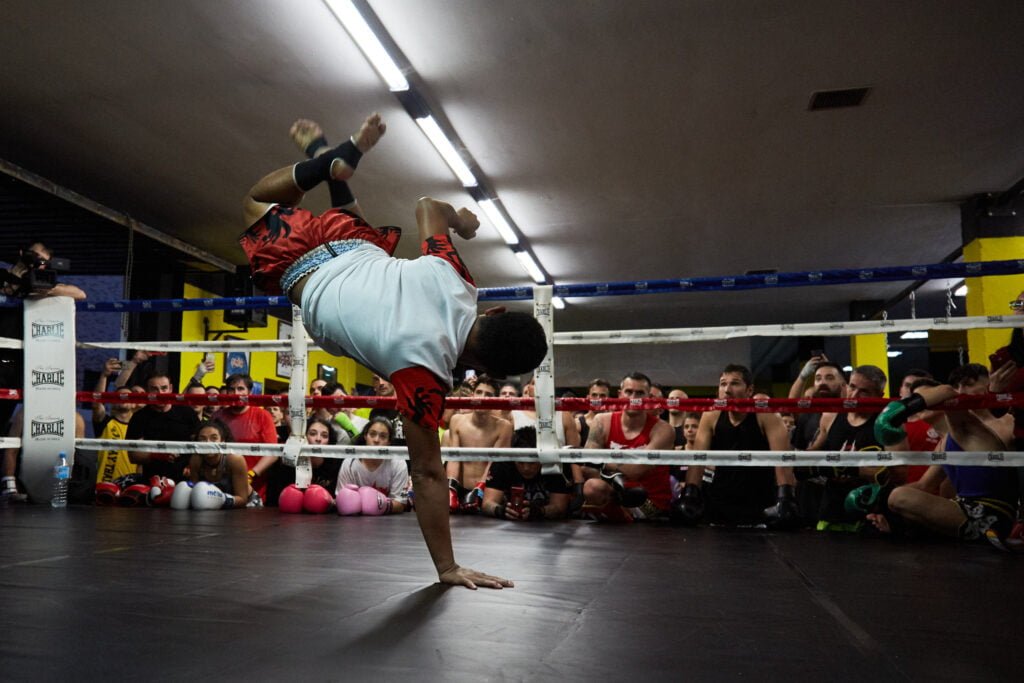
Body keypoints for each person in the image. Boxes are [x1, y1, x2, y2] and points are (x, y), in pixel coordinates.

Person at [237, 113, 547, 589]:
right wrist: (447, 566)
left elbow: (428, 205)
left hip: (353, 242)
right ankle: (331, 164)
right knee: (254, 203)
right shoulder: (424, 378)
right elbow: (426, 473)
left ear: (496, 313)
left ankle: (329, 164)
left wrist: (461, 223)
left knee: (320, 214)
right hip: (304, 268)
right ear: (483, 370)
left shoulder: (458, 279)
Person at [854, 364, 1018, 550]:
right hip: (965, 509)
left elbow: (948, 391)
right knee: (898, 500)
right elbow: (925, 485)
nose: (962, 391)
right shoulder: (946, 441)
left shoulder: (972, 428)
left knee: (899, 497)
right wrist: (879, 505)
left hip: (991, 514)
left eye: (924, 399)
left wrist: (903, 407)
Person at [1, 242, 86, 500]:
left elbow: (80, 294)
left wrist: (43, 289)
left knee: (15, 422)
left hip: (22, 364)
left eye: (41, 260)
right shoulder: (3, 275)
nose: (36, 262)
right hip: (3, 352)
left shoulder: (40, 281)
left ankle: (12, 485)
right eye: (34, 256)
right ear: (21, 254)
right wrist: (14, 285)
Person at [676, 364, 797, 528]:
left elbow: (782, 461)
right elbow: (698, 458)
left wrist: (785, 496)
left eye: (734, 383)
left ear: (749, 390)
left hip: (759, 501)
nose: (726, 390)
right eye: (723, 383)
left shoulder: (767, 416)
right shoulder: (711, 416)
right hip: (719, 499)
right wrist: (690, 493)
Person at [581, 372, 675, 521]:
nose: (633, 398)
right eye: (629, 392)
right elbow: (587, 466)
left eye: (640, 393)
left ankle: (617, 515)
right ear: (619, 395)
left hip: (650, 502)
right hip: (615, 495)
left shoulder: (663, 429)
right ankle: (617, 512)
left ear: (648, 398)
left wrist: (604, 463)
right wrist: (617, 489)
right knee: (592, 487)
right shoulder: (601, 422)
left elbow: (636, 469)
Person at [445, 375, 512, 511]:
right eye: (479, 392)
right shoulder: (457, 420)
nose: (482, 397)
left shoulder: (504, 426)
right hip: (460, 487)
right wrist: (450, 488)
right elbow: (454, 458)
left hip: (488, 490)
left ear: (495, 400)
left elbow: (494, 463)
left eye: (488, 394)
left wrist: (480, 489)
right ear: (472, 395)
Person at [210, 373, 278, 501]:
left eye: (240, 389)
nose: (236, 393)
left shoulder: (262, 415)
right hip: (221, 483)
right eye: (231, 389)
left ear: (249, 392)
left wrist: (252, 473)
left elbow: (273, 452)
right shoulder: (218, 416)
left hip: (254, 486)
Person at [483, 427, 571, 521]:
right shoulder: (503, 463)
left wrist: (540, 511)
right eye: (520, 462)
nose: (526, 468)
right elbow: (487, 503)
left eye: (532, 463)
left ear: (542, 457)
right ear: (513, 457)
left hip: (548, 527)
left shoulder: (555, 465)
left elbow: (560, 508)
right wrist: (500, 510)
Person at [126, 374, 200, 482]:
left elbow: (200, 445)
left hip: (186, 478)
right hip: (153, 479)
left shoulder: (187, 413)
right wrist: (157, 455)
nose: (160, 393)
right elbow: (133, 456)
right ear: (147, 391)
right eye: (154, 389)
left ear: (170, 388)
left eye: (164, 388)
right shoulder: (139, 417)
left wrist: (192, 465)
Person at [335, 416, 411, 515]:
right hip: (354, 524)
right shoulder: (350, 463)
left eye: (383, 436)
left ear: (389, 442)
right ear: (365, 436)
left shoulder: (398, 464)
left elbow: (401, 504)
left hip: (388, 524)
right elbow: (340, 499)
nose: (376, 440)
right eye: (372, 434)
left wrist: (382, 505)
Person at [187, 420, 260, 509]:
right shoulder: (196, 460)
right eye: (202, 439)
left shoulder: (234, 459)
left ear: (222, 441)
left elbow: (242, 500)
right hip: (215, 508)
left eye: (214, 438)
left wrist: (220, 499)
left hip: (248, 506)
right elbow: (195, 492)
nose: (208, 443)